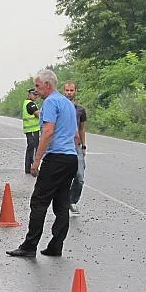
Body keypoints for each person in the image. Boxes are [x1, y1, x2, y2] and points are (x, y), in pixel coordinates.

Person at [7, 69, 78, 258]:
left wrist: (37, 160)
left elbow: (47, 132)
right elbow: (75, 135)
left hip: (56, 157)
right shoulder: (68, 103)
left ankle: (29, 246)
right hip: (70, 158)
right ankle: (56, 246)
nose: (36, 90)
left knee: (39, 201)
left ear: (47, 84)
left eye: (38, 86)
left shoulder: (51, 102)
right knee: (62, 204)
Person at [63, 80, 87, 215]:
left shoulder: (80, 110)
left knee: (80, 176)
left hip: (76, 146)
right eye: (67, 90)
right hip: (62, 146)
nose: (69, 93)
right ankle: (61, 202)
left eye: (71, 90)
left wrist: (83, 146)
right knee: (63, 176)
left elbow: (82, 128)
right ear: (63, 91)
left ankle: (72, 201)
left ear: (75, 91)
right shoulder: (59, 107)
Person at [22, 88, 41, 174]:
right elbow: (38, 115)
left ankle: (28, 168)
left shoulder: (26, 103)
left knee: (30, 148)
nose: (35, 96)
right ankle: (34, 167)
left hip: (29, 130)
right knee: (33, 149)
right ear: (29, 95)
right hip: (33, 130)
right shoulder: (31, 104)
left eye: (36, 95)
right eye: (34, 94)